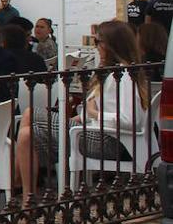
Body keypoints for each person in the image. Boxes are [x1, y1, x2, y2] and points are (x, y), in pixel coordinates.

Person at [14, 21, 150, 198]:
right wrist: (85, 115)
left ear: (110, 45)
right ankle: (27, 199)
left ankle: (15, 181)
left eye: (97, 42)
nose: (96, 47)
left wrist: (94, 113)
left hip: (109, 141)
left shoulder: (123, 76)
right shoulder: (111, 72)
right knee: (26, 134)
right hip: (95, 132)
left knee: (30, 113)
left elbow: (130, 119)